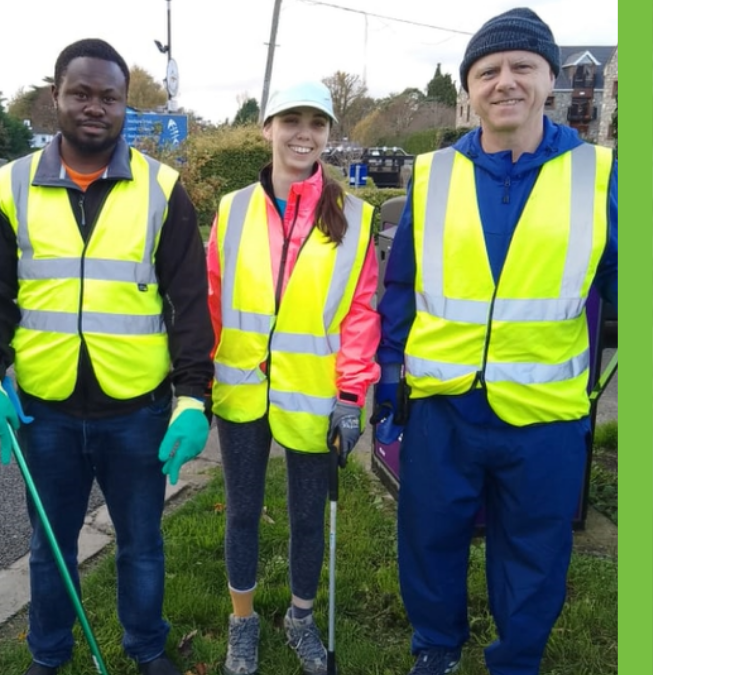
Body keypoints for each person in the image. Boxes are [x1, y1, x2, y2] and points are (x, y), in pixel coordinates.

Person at [375, 8, 618, 675]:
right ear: (470, 86)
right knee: (429, 539)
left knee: (534, 552)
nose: (504, 82)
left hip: (544, 418)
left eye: (521, 67)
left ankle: (516, 659)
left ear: (552, 79)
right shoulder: (431, 175)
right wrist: (389, 378)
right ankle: (436, 647)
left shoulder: (599, 176)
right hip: (443, 409)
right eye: (488, 71)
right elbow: (399, 287)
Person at [0, 38, 214, 675]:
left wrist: (192, 397)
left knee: (142, 545)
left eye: (110, 96)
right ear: (56, 97)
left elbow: (188, 303)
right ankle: (48, 656)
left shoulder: (162, 190)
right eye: (81, 93)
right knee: (50, 546)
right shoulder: (11, 187)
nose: (95, 107)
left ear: (127, 105)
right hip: (42, 413)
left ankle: (147, 648)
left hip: (138, 412)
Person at [207, 81, 381, 675]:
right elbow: (212, 297)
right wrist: (200, 379)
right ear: (267, 128)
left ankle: (301, 619)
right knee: (241, 511)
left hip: (314, 394)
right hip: (241, 387)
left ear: (329, 134)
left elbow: (360, 312)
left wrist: (353, 395)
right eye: (291, 120)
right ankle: (243, 622)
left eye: (317, 123)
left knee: (309, 515)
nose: (304, 133)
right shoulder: (231, 209)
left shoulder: (354, 217)